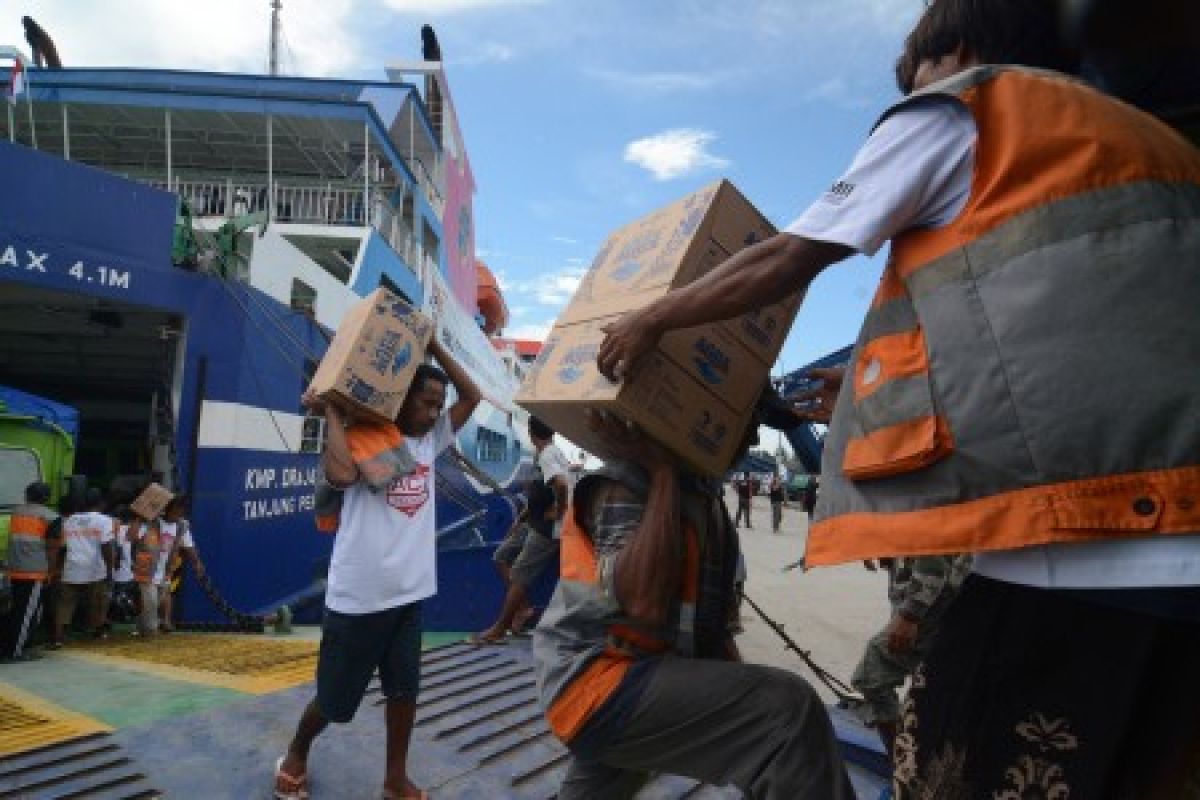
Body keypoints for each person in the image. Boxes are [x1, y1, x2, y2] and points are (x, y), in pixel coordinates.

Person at [595, 1, 1200, 794]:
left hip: (1070, 558)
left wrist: (650, 318)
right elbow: (1070, 333)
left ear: (951, 50)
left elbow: (786, 256)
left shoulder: (966, 107)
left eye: (912, 74)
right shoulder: (1155, 146)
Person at [533, 388, 853, 800]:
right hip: (595, 686)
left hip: (643, 681)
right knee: (790, 712)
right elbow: (644, 605)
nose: (754, 440)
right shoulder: (625, 483)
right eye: (750, 421)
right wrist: (663, 474)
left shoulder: (709, 507)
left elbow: (714, 636)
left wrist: (739, 701)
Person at [275, 337, 481, 800]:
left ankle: (394, 779)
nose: (433, 413)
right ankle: (297, 750)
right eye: (426, 403)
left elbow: (473, 397)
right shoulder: (359, 438)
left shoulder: (428, 444)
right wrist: (332, 410)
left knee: (405, 692)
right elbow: (344, 476)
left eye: (437, 406)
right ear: (399, 398)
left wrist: (435, 345)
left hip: (409, 595)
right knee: (334, 701)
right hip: (359, 598)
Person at [848, 555, 970, 757]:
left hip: (932, 602)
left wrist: (911, 614)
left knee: (872, 677)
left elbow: (935, 550)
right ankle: (918, 764)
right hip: (929, 597)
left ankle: (905, 768)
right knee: (930, 688)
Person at [472, 416, 570, 644]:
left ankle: (499, 628)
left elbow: (562, 485)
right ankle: (523, 609)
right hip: (534, 521)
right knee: (501, 556)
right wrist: (520, 520)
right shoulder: (549, 453)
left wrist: (560, 509)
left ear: (530, 432)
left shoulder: (547, 455)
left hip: (547, 529)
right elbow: (543, 492)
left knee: (519, 576)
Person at [0, 481, 60, 660]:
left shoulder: (17, 513)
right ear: (47, 498)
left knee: (17, 610)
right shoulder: (51, 517)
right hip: (34, 572)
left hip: (14, 569)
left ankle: (14, 646)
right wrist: (52, 571)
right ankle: (14, 652)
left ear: (27, 495)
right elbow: (52, 549)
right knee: (26, 614)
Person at [53, 488, 115, 647]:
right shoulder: (104, 520)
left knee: (65, 603)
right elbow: (107, 546)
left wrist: (57, 569)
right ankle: (95, 632)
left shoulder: (70, 520)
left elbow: (63, 548)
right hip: (94, 568)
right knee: (97, 601)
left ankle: (58, 637)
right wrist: (110, 570)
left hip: (72, 566)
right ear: (101, 503)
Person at [156, 495, 204, 632]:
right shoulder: (155, 522)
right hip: (150, 566)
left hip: (167, 566)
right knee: (152, 596)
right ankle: (152, 620)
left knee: (166, 591)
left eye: (182, 512)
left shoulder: (181, 526)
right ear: (168, 510)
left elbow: (189, 546)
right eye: (178, 511)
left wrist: (197, 563)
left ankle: (165, 621)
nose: (180, 514)